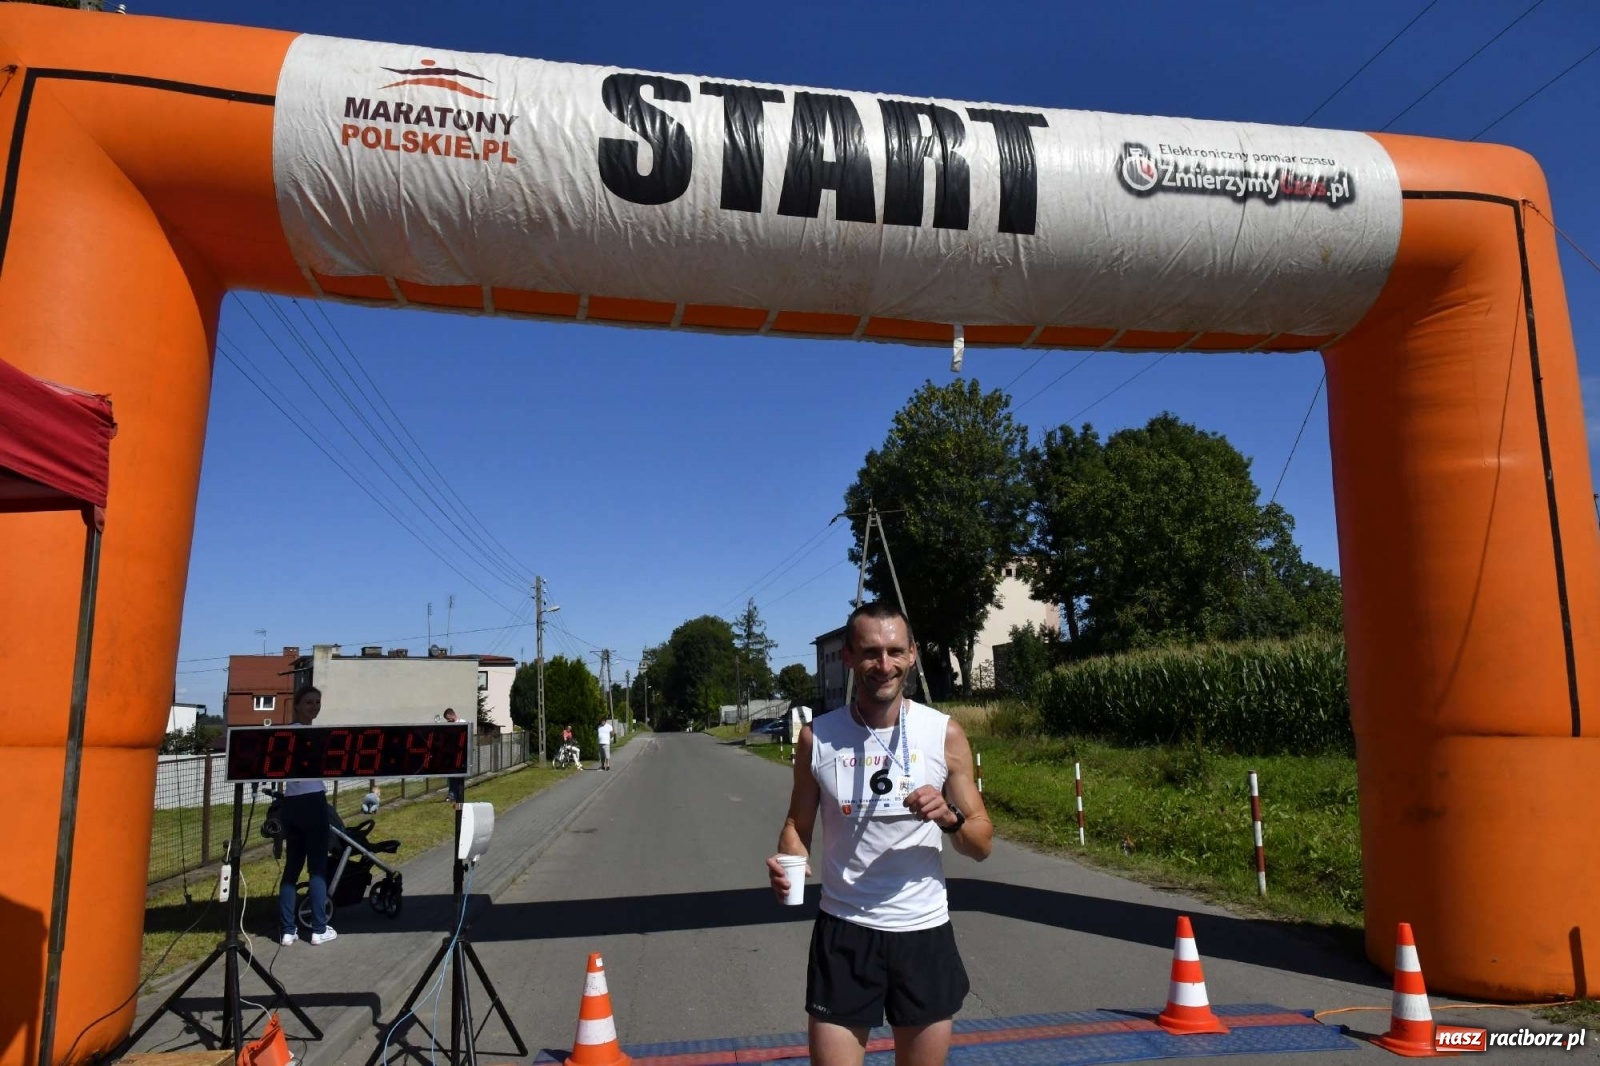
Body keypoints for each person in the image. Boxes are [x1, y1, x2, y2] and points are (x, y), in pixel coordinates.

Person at [767, 601, 991, 1066]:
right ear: (848, 657)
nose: (883, 665)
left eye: (894, 651)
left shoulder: (943, 733)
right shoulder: (817, 737)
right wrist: (788, 860)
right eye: (870, 652)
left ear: (912, 655)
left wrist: (949, 816)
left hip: (922, 931)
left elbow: (981, 843)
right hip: (845, 932)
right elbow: (797, 825)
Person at [278, 685, 337, 946]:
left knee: (292, 868)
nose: (314, 706)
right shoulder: (317, 735)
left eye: (317, 702)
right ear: (297, 705)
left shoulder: (285, 734)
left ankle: (287, 931)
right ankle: (318, 928)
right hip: (312, 803)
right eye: (309, 702)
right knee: (317, 870)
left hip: (291, 804)